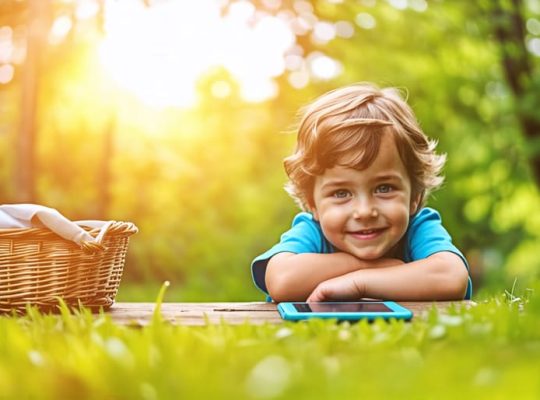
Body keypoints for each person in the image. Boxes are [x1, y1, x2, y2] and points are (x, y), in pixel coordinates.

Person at [251, 83, 472, 303]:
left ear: (415, 196)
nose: (364, 212)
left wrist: (360, 282)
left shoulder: (418, 228)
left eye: (384, 188)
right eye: (341, 193)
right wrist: (373, 265)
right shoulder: (313, 232)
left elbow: (451, 277)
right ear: (313, 204)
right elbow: (282, 280)